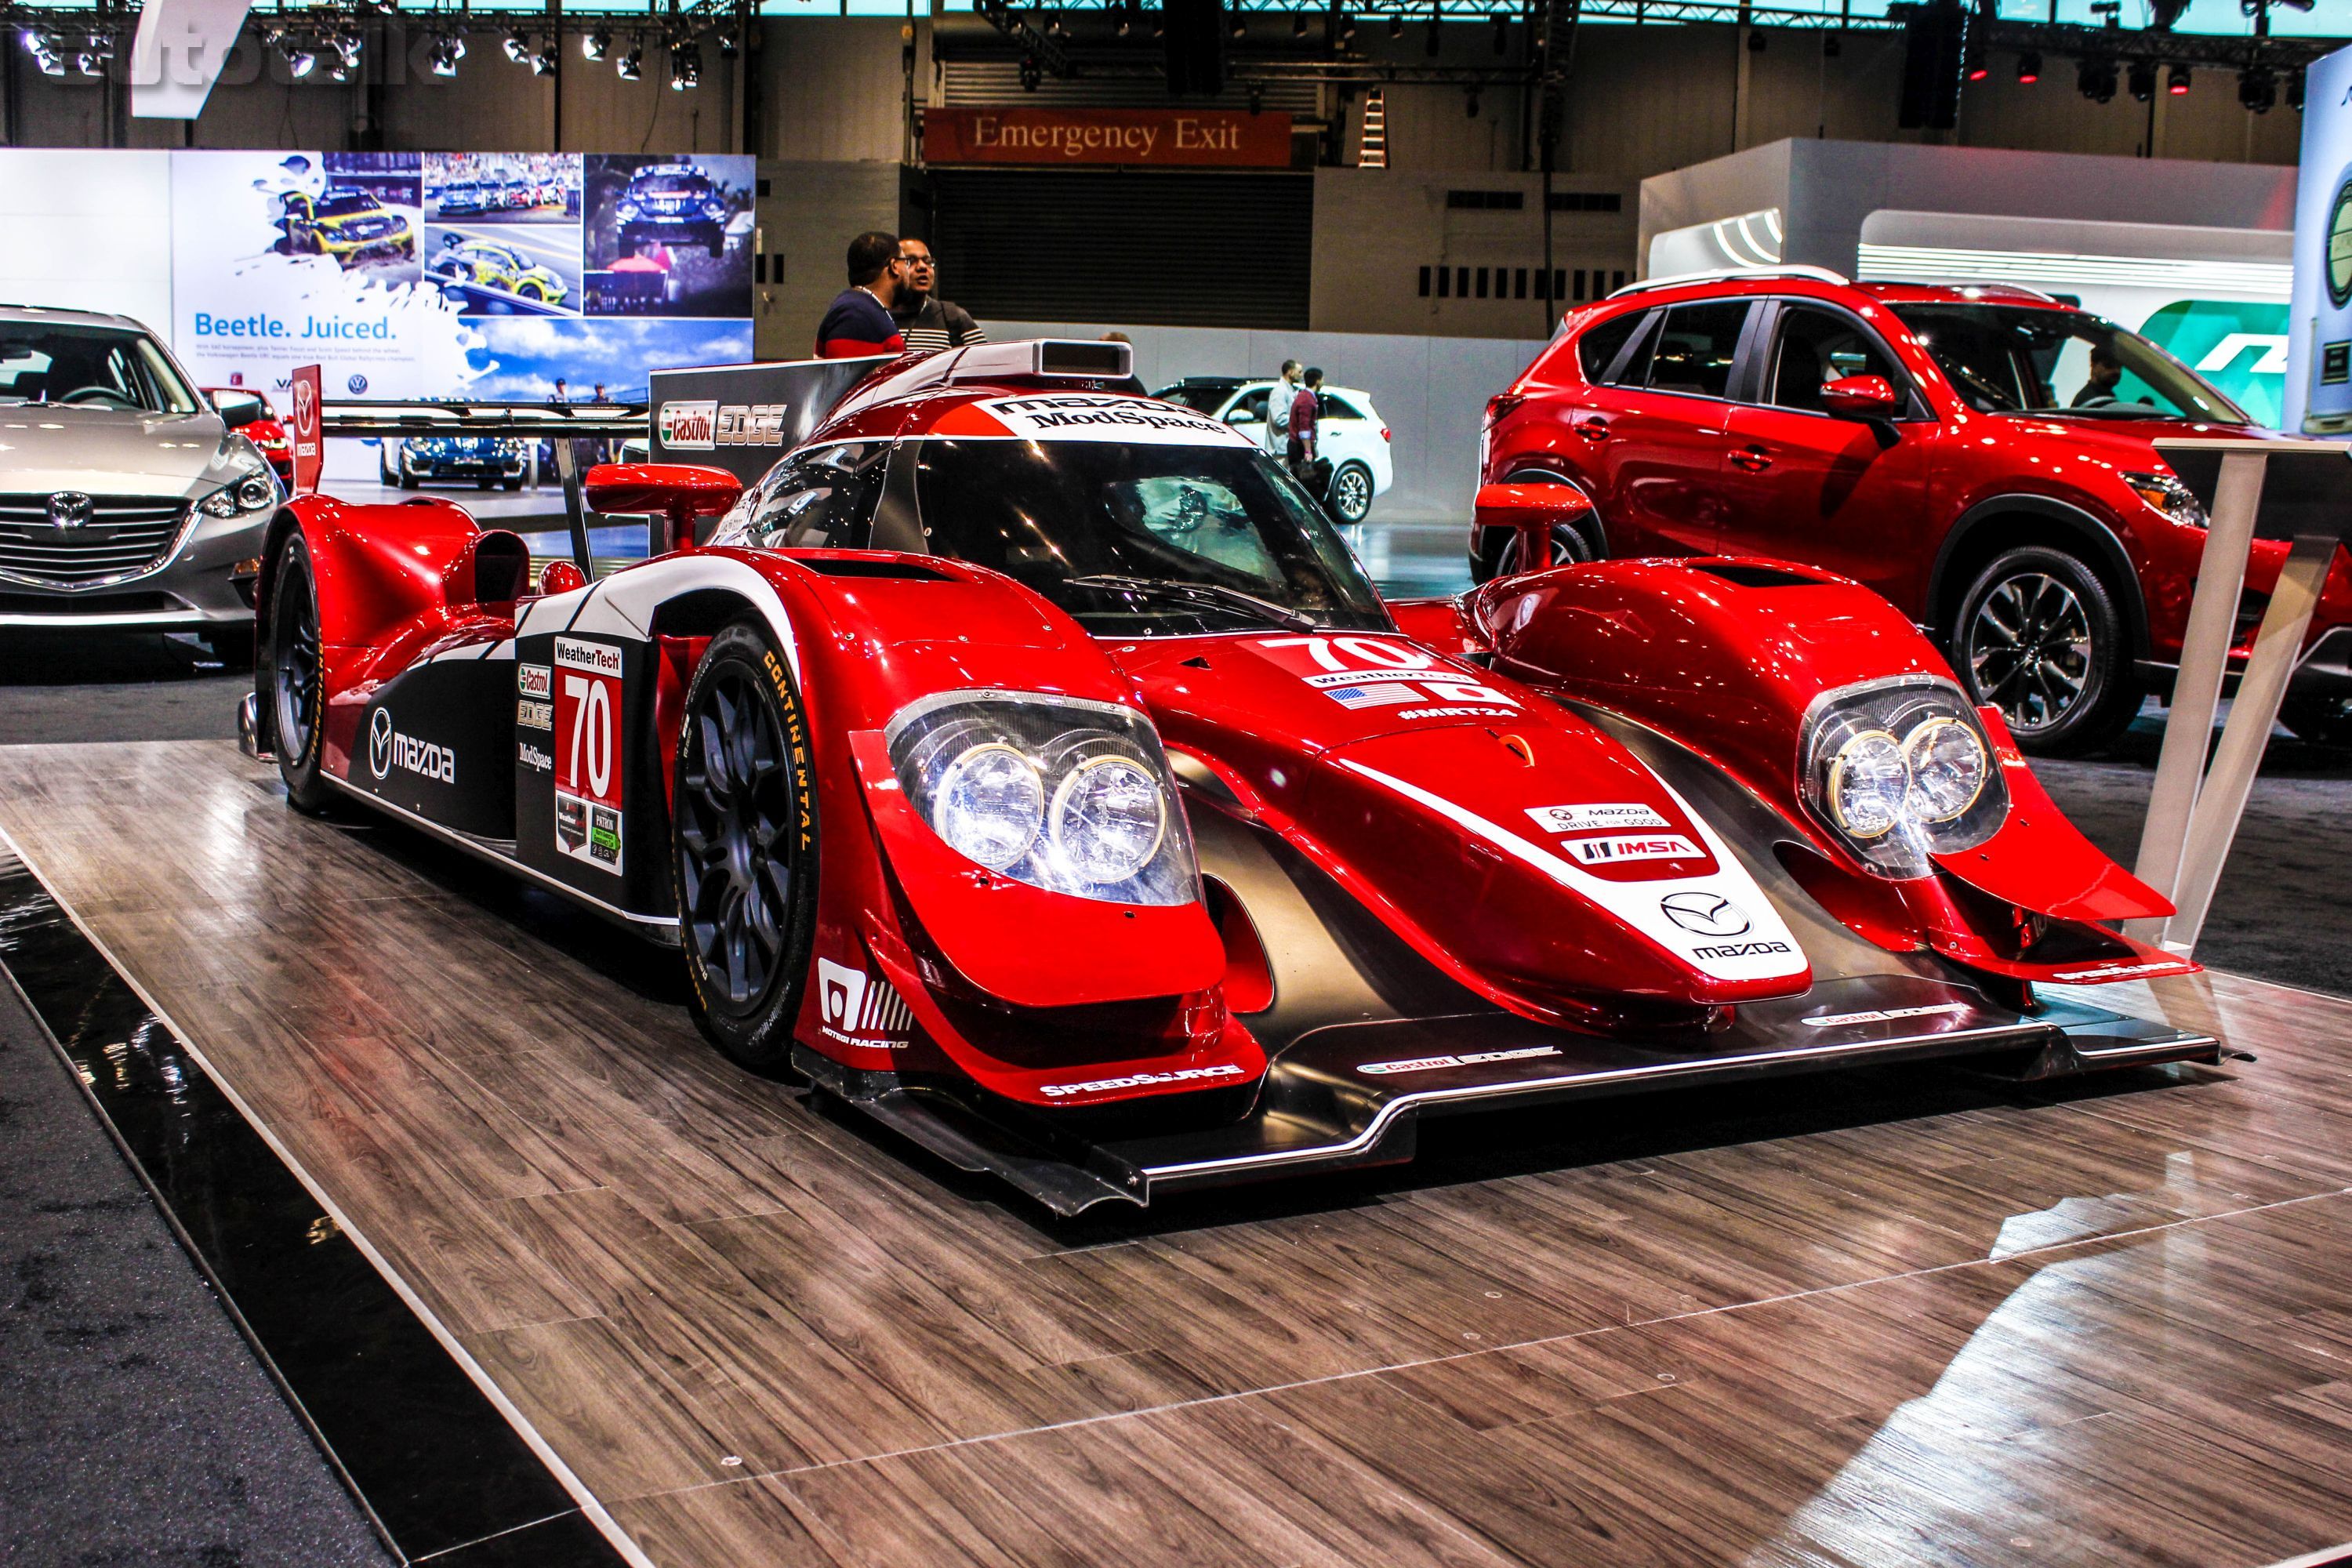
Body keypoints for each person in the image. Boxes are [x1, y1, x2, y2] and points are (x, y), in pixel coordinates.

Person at [815, 232, 909, 359]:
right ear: (894, 266)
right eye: (906, 262)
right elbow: (851, 378)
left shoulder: (865, 309)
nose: (909, 270)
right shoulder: (856, 314)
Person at [891, 239, 987, 355]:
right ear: (893, 267)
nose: (922, 267)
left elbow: (984, 365)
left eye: (927, 261)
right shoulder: (875, 318)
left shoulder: (953, 317)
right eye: (911, 261)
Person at [1287, 367, 1323, 477]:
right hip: (1300, 448)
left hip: (1297, 445)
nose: (1323, 382)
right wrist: (1308, 451)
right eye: (1322, 379)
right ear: (1317, 381)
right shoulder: (1307, 400)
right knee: (1303, 481)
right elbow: (1304, 428)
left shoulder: (1304, 396)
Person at [1264, 359, 1300, 457]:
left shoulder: (1291, 391)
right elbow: (1278, 419)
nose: (1301, 375)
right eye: (1299, 372)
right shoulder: (1280, 391)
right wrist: (1298, 420)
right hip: (1280, 449)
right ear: (1291, 372)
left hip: (1286, 447)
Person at [2072, 343, 2124, 408]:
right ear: (2093, 365)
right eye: (2109, 365)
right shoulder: (2087, 401)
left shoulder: (2106, 397)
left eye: (2119, 366)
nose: (2117, 371)